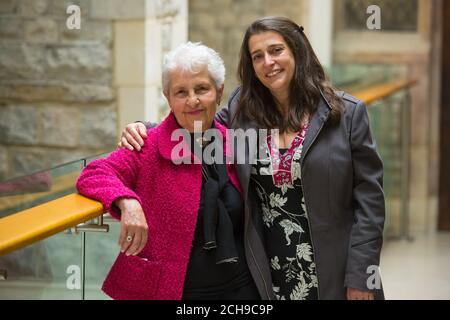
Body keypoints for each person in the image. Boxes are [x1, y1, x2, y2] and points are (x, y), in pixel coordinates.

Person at [118, 16, 385, 300]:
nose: (268, 62)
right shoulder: (240, 113)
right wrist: (142, 129)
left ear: (297, 51)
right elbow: (192, 124)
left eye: (276, 50)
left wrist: (361, 276)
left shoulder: (346, 114)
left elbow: (370, 203)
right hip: (268, 273)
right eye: (258, 56)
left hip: (335, 270)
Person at [76, 42, 260, 300]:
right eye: (181, 92)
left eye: (202, 89)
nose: (193, 100)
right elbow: (94, 173)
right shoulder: (146, 145)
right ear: (168, 98)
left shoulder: (234, 143)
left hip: (241, 289)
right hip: (172, 292)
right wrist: (128, 202)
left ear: (219, 92)